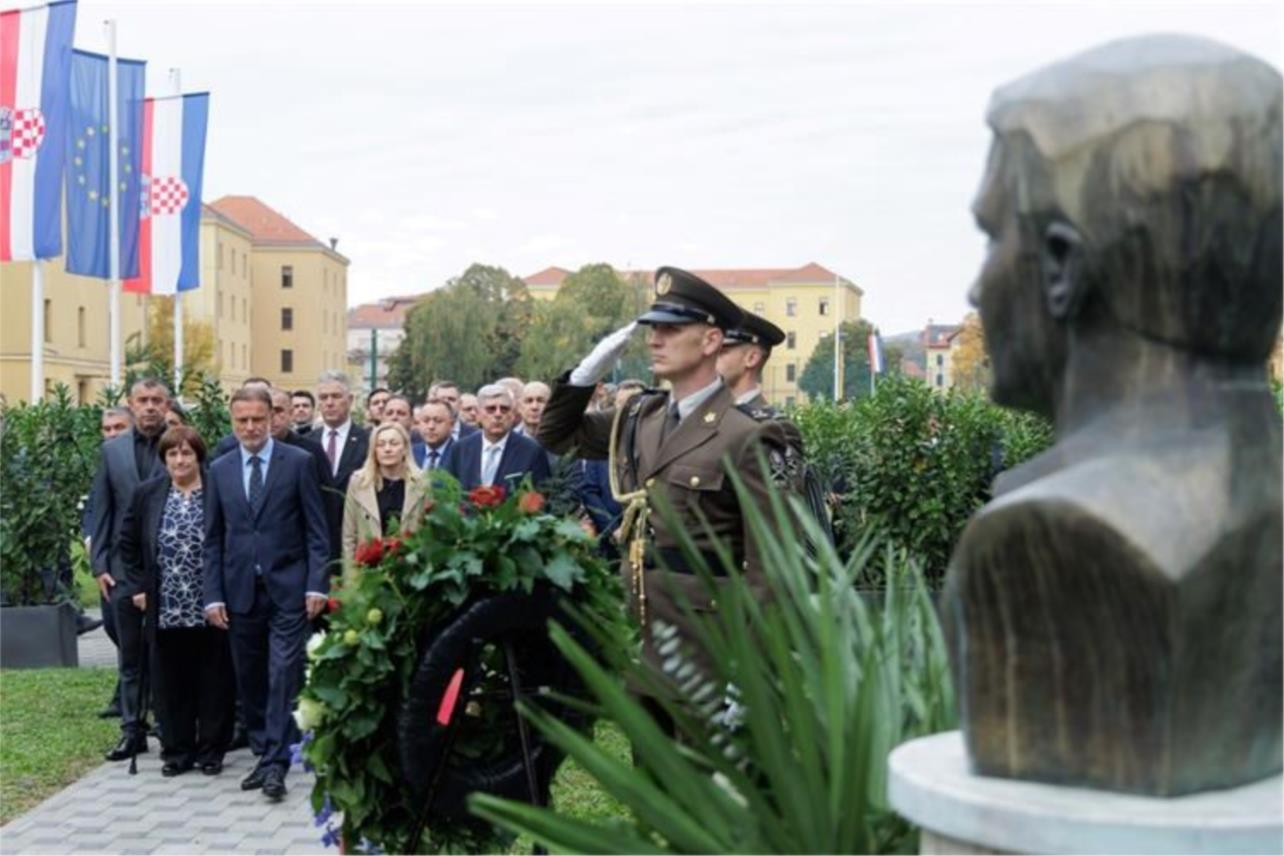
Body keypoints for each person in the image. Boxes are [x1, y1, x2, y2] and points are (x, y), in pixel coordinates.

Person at [538, 267, 801, 702]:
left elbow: (770, 568)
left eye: (671, 330)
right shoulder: (642, 416)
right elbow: (555, 436)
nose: (654, 341)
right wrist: (586, 374)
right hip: (643, 639)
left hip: (710, 649)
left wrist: (749, 670)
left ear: (711, 341)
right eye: (653, 329)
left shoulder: (749, 435)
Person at [203, 387, 330, 802]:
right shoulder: (219, 469)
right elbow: (213, 538)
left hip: (289, 589)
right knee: (251, 677)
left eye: (258, 419)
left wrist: (316, 583)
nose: (251, 427)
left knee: (283, 673)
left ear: (272, 418)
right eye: (243, 420)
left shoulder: (298, 462)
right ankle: (265, 748)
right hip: (240, 592)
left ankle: (275, 763)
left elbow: (316, 530)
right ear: (233, 421)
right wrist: (212, 595)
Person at [118, 426, 235, 777]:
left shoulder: (218, 489)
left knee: (213, 680)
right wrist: (139, 586)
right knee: (170, 683)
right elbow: (127, 543)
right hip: (165, 603)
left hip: (210, 602)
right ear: (164, 459)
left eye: (187, 453)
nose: (180, 460)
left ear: (199, 457)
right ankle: (177, 751)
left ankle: (211, 751)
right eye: (172, 454)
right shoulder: (148, 494)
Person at [91, 378, 171, 761]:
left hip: (170, 570)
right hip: (122, 568)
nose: (150, 406)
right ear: (131, 404)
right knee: (130, 655)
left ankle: (169, 727)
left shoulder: (181, 445)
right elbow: (102, 509)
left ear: (167, 405)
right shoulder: (112, 451)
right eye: (143, 400)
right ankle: (131, 730)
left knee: (167, 653)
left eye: (157, 400)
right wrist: (99, 564)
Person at [83, 406, 134, 715]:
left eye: (119, 427)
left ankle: (131, 698)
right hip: (109, 562)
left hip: (135, 563)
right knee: (114, 627)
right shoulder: (107, 461)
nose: (112, 434)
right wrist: (91, 539)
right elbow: (95, 507)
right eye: (107, 429)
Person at [341, 423, 428, 570]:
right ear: (374, 450)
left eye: (394, 443)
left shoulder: (422, 482)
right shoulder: (359, 482)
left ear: (405, 449)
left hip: (409, 569)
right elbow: (349, 535)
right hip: (368, 570)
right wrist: (350, 577)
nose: (387, 449)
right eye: (380, 445)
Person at [441, 384, 550, 492]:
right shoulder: (460, 449)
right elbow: (447, 491)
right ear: (478, 414)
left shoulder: (531, 451)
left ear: (513, 415)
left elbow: (541, 494)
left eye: (504, 409)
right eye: (491, 409)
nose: (498, 414)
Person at [316, 371, 370, 562]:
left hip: (356, 537)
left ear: (350, 400)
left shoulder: (367, 441)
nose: (329, 403)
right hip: (317, 540)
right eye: (323, 397)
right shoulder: (306, 442)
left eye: (336, 396)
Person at [414, 398, 456, 470]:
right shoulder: (411, 453)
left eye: (438, 421)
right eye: (426, 421)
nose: (431, 426)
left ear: (451, 425)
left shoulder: (461, 455)